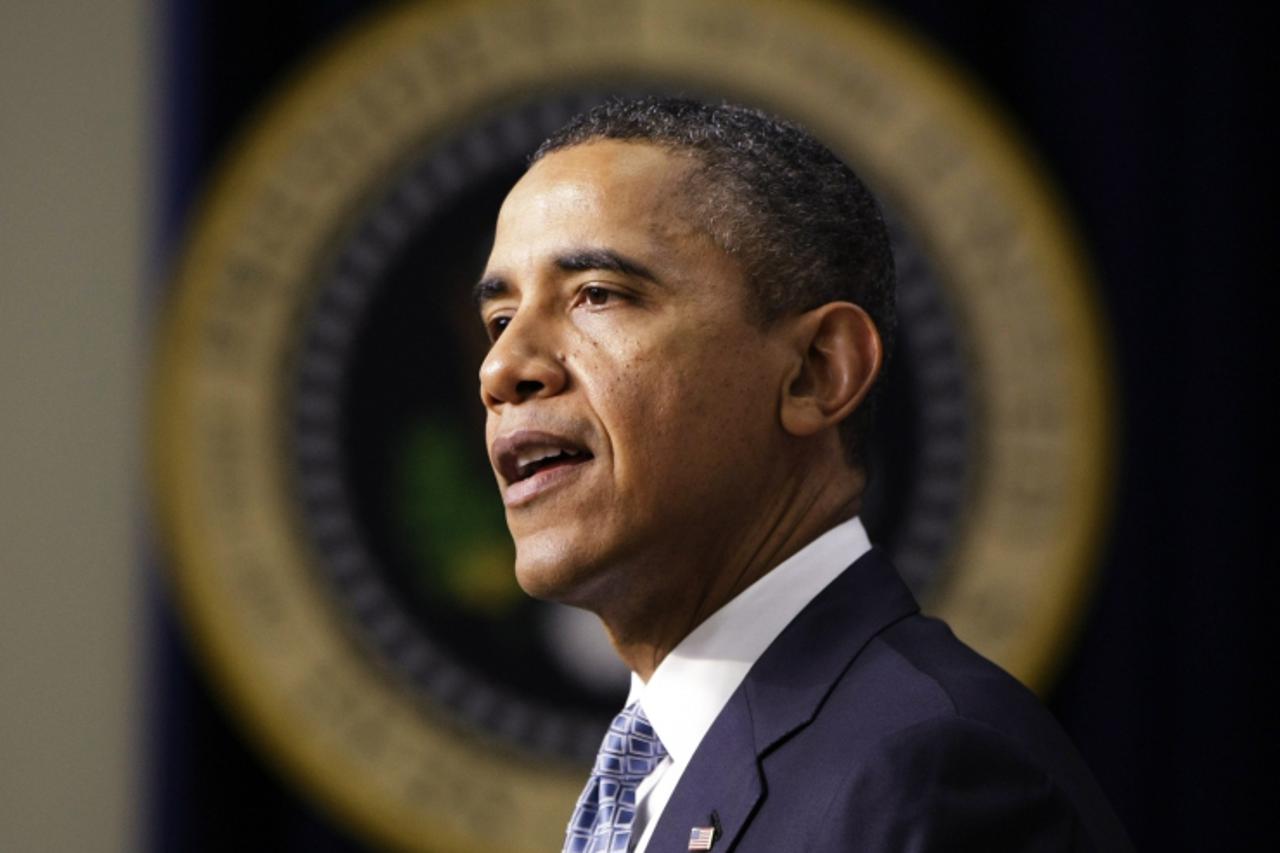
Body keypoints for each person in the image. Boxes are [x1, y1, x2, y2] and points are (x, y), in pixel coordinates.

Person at [475, 97, 1132, 852]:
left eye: (597, 294)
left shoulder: (928, 773)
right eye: (499, 319)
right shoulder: (662, 768)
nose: (502, 368)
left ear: (817, 372)